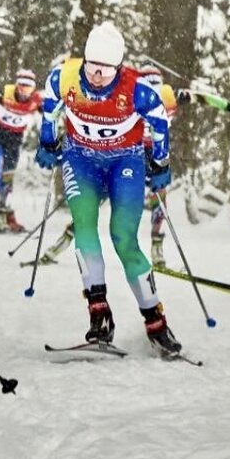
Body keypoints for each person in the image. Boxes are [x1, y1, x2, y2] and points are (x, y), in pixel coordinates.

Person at [34, 21, 182, 353]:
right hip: (79, 159)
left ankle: (155, 320)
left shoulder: (138, 90)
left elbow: (159, 126)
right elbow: (49, 112)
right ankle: (99, 314)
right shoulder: (64, 78)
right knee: (84, 224)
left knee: (123, 237)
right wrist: (46, 143)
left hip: (124, 162)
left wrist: (160, 163)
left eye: (106, 69)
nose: (98, 75)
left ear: (118, 67)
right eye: (93, 67)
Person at [138, 64, 230, 267]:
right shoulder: (168, 95)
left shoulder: (133, 93)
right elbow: (201, 97)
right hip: (152, 153)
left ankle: (73, 232)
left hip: (133, 153)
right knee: (158, 196)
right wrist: (229, 106)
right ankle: (156, 248)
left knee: (114, 189)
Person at [0, 69, 41, 233]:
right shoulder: (5, 94)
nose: (24, 91)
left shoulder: (36, 100)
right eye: (22, 86)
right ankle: (8, 215)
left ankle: (3, 217)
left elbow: (50, 110)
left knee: (8, 177)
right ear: (16, 86)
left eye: (29, 88)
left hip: (14, 139)